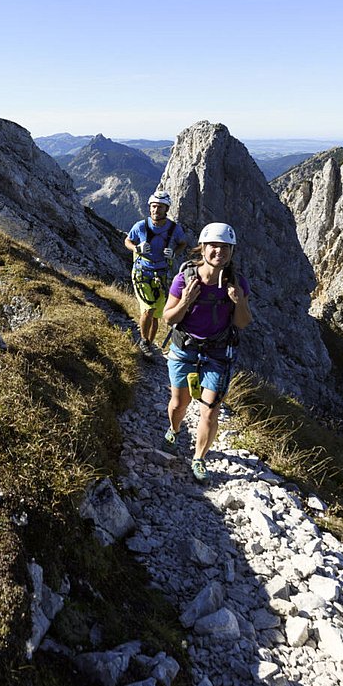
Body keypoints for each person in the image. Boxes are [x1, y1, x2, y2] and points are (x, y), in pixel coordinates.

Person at [161, 222, 252, 482]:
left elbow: (243, 322)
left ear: (232, 251)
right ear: (203, 248)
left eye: (225, 247)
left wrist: (240, 302)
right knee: (180, 403)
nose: (219, 252)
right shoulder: (184, 279)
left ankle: (199, 458)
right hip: (184, 348)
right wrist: (187, 300)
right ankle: (174, 428)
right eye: (214, 246)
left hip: (218, 352)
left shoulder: (238, 283)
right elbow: (168, 317)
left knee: (210, 409)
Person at [124, 192, 188, 356]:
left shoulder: (174, 229)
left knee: (157, 315)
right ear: (150, 207)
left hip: (161, 274)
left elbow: (183, 243)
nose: (156, 210)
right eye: (153, 206)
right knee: (149, 309)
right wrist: (136, 248)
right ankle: (144, 342)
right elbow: (127, 241)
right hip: (142, 272)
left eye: (160, 207)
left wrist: (174, 252)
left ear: (166, 209)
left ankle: (149, 344)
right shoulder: (141, 226)